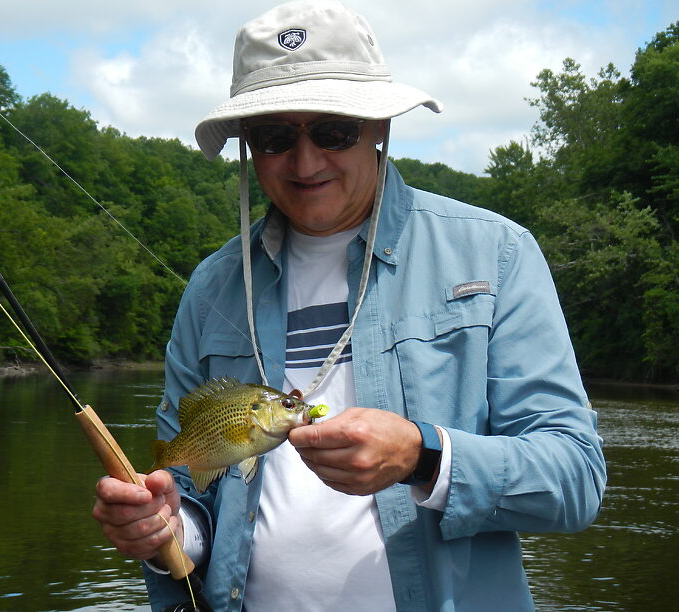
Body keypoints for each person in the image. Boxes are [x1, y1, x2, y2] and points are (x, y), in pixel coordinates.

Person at [93, 2, 607, 610]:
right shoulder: (210, 288)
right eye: (277, 137)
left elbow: (575, 478)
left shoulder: (495, 254)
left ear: (379, 129)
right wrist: (164, 533)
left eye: (334, 131)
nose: (306, 162)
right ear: (249, 148)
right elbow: (193, 503)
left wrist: (423, 456)